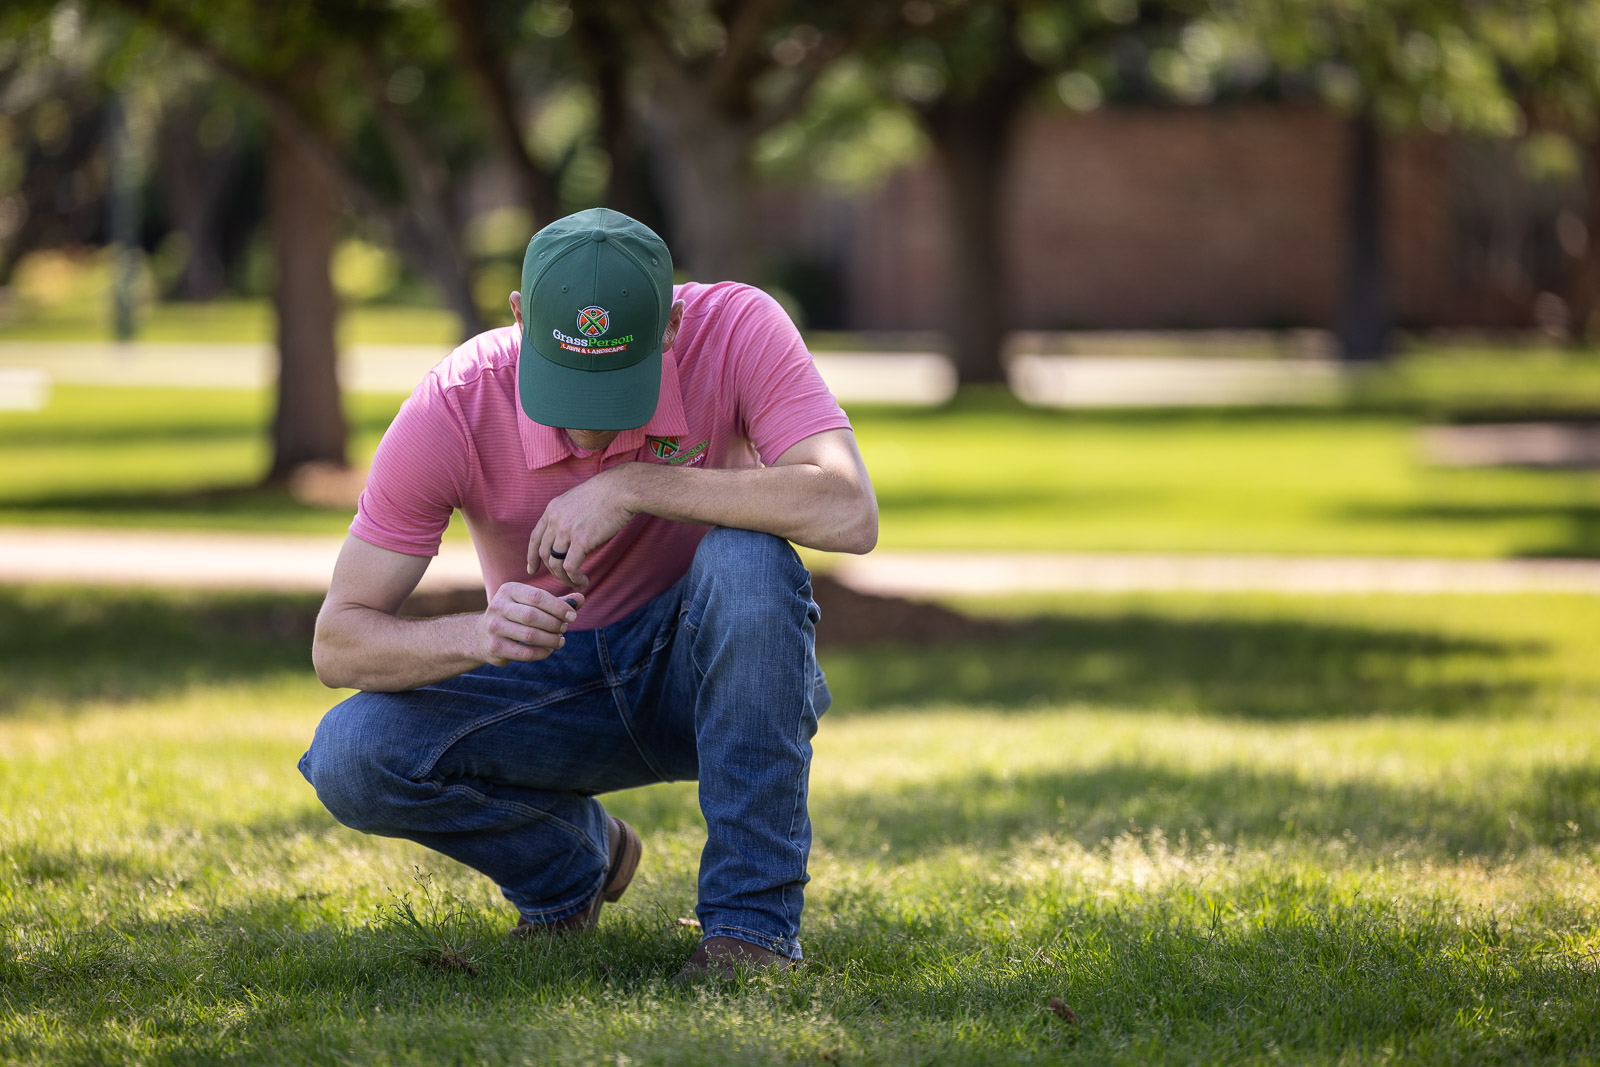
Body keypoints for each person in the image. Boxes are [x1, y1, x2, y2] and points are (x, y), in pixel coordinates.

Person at [298, 207, 877, 978]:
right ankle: (572, 865)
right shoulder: (458, 400)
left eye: (614, 394)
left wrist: (633, 485)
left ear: (671, 329)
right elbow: (338, 642)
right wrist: (480, 634)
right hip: (546, 685)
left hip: (705, 675)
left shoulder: (737, 328)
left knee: (747, 558)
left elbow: (849, 509)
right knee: (349, 753)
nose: (588, 432)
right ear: (519, 318)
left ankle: (751, 933)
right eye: (567, 391)